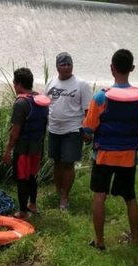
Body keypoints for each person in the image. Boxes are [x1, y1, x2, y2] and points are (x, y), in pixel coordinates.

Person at [82, 49, 138, 250]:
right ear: (132, 68)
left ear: (112, 68)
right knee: (130, 197)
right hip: (128, 157)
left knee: (99, 195)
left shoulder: (100, 97)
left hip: (104, 155)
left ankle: (99, 241)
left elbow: (88, 128)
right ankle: (134, 239)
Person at [45, 52, 93, 211]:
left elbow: (88, 110)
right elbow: (47, 104)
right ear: (57, 66)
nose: (66, 67)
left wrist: (88, 130)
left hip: (73, 129)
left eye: (69, 64)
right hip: (53, 129)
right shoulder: (51, 81)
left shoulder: (81, 84)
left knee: (68, 163)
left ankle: (65, 197)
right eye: (62, 65)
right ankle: (58, 191)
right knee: (57, 161)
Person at [3, 67, 49, 219]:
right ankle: (33, 204)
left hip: (23, 147)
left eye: (15, 83)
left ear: (19, 84)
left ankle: (23, 212)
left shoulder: (21, 103)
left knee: (22, 178)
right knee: (32, 175)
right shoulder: (41, 100)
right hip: (37, 146)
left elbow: (15, 131)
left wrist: (8, 150)